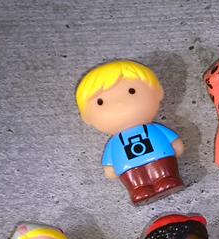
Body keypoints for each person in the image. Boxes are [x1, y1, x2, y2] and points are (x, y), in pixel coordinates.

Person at [76, 60, 184, 203]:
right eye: (100, 102)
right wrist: (110, 167)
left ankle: (167, 179)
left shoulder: (153, 129)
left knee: (164, 174)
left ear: (158, 92)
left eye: (131, 91)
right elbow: (110, 164)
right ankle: (139, 189)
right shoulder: (115, 143)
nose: (119, 103)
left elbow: (174, 143)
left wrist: (175, 144)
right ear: (87, 118)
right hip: (130, 169)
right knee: (137, 183)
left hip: (161, 159)